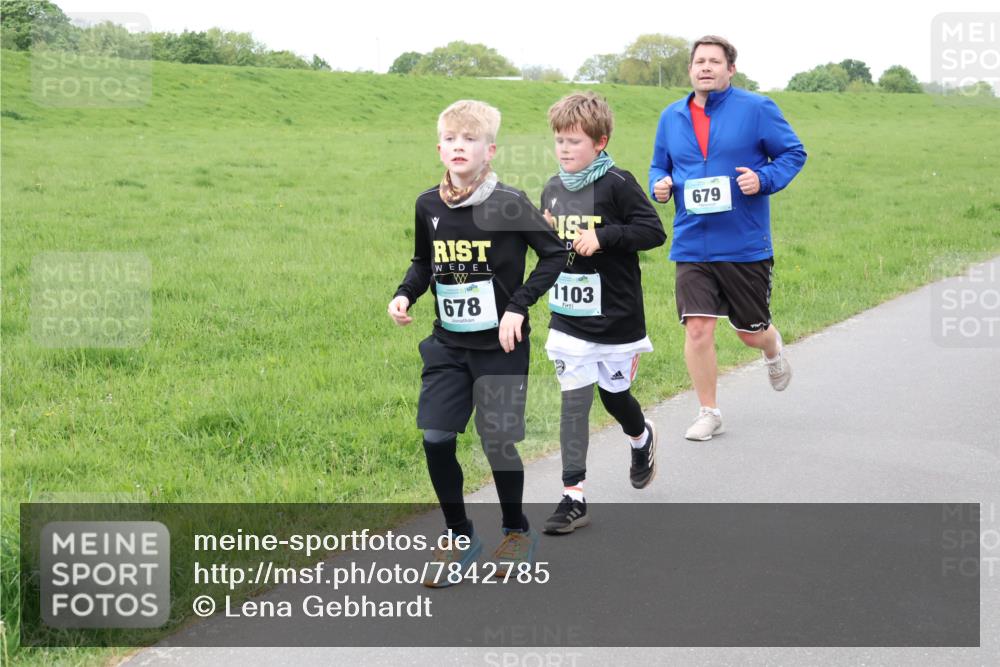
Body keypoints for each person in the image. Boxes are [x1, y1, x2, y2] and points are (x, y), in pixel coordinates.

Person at [388, 100, 565, 585]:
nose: (458, 147)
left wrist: (518, 305)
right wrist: (405, 294)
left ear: (490, 150)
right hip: (447, 344)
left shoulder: (508, 202)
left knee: (498, 441)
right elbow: (423, 262)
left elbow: (553, 255)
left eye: (469, 140)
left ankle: (515, 531)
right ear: (440, 148)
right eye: (450, 139)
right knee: (436, 437)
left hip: (501, 347)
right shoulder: (428, 204)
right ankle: (460, 537)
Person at [648, 35, 806, 441]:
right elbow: (658, 167)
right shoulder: (671, 116)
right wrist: (660, 185)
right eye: (699, 61)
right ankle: (709, 411)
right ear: (690, 69)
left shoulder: (756, 109)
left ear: (730, 69)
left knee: (749, 332)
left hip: (742, 241)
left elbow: (793, 153)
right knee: (697, 328)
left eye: (714, 62)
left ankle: (772, 349)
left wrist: (764, 179)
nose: (705, 67)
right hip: (692, 240)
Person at [540, 92, 667, 535]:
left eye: (574, 140)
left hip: (616, 319)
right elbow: (548, 247)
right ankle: (572, 497)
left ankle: (641, 437)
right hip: (569, 320)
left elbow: (653, 231)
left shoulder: (617, 183)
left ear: (600, 141)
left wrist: (605, 236)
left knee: (615, 399)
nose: (564, 148)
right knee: (574, 404)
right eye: (559, 140)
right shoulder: (553, 189)